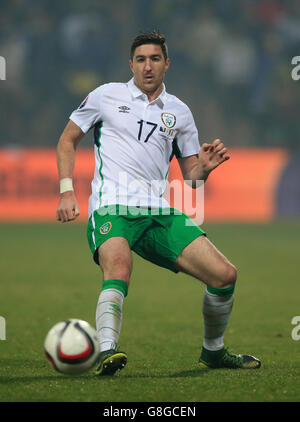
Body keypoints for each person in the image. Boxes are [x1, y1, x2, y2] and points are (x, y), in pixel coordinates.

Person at [56, 31, 261, 375]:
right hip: (112, 206)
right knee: (119, 268)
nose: (147, 66)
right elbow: (67, 140)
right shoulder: (106, 95)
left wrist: (205, 170)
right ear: (131, 64)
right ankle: (106, 351)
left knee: (224, 275)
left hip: (157, 211)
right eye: (140, 59)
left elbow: (192, 177)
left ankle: (214, 352)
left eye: (154, 59)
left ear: (167, 64)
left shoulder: (179, 112)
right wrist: (65, 190)